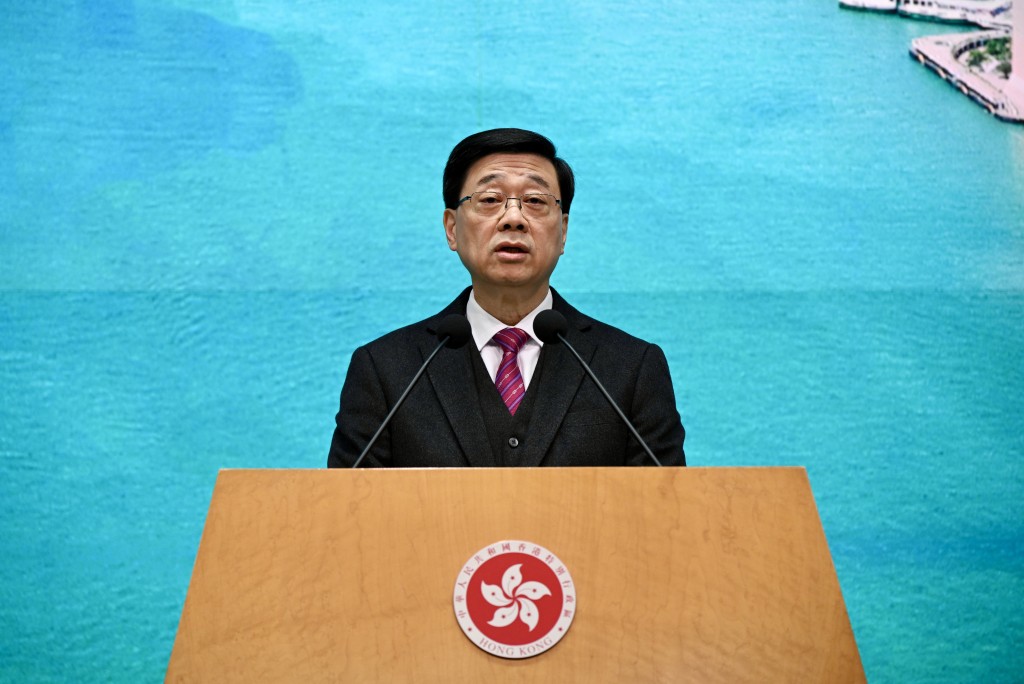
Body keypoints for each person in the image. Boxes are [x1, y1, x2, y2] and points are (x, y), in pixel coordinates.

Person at [328, 128, 685, 468]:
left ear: (563, 231)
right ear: (452, 229)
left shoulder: (630, 368)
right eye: (489, 200)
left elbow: (667, 503)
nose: (513, 218)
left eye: (535, 201)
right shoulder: (387, 371)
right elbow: (349, 505)